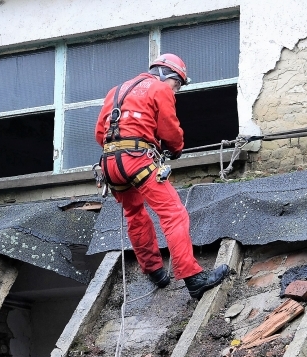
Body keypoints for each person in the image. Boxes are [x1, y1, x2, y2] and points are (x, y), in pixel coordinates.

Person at [95, 53, 229, 299]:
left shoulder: (115, 91)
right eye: (177, 84)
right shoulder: (159, 88)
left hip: (110, 164)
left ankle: (154, 271)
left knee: (135, 214)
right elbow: (169, 128)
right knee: (173, 214)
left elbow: (98, 133)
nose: (175, 91)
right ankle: (193, 278)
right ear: (167, 74)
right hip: (137, 160)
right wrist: (175, 148)